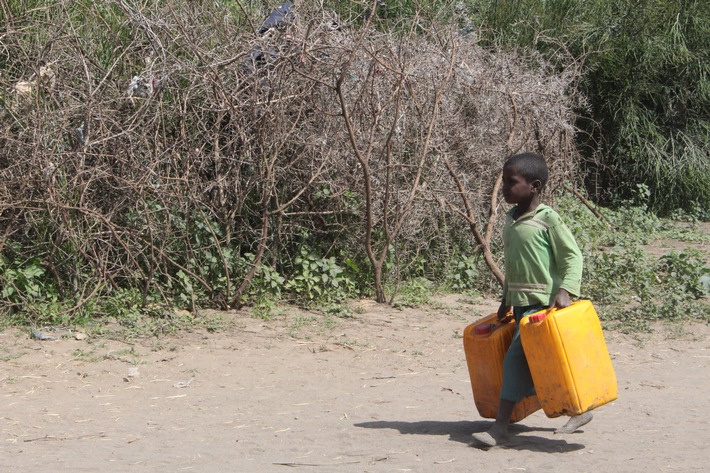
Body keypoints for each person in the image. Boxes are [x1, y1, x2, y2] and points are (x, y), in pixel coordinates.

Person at [471, 152, 591, 448]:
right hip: (522, 304)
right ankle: (580, 410)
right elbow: (514, 265)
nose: (505, 189)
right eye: (505, 183)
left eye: (511, 183)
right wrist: (506, 298)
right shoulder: (511, 221)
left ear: (534, 186)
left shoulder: (547, 219)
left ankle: (499, 428)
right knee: (544, 363)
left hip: (545, 307)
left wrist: (566, 289)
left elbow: (573, 255)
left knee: (514, 361)